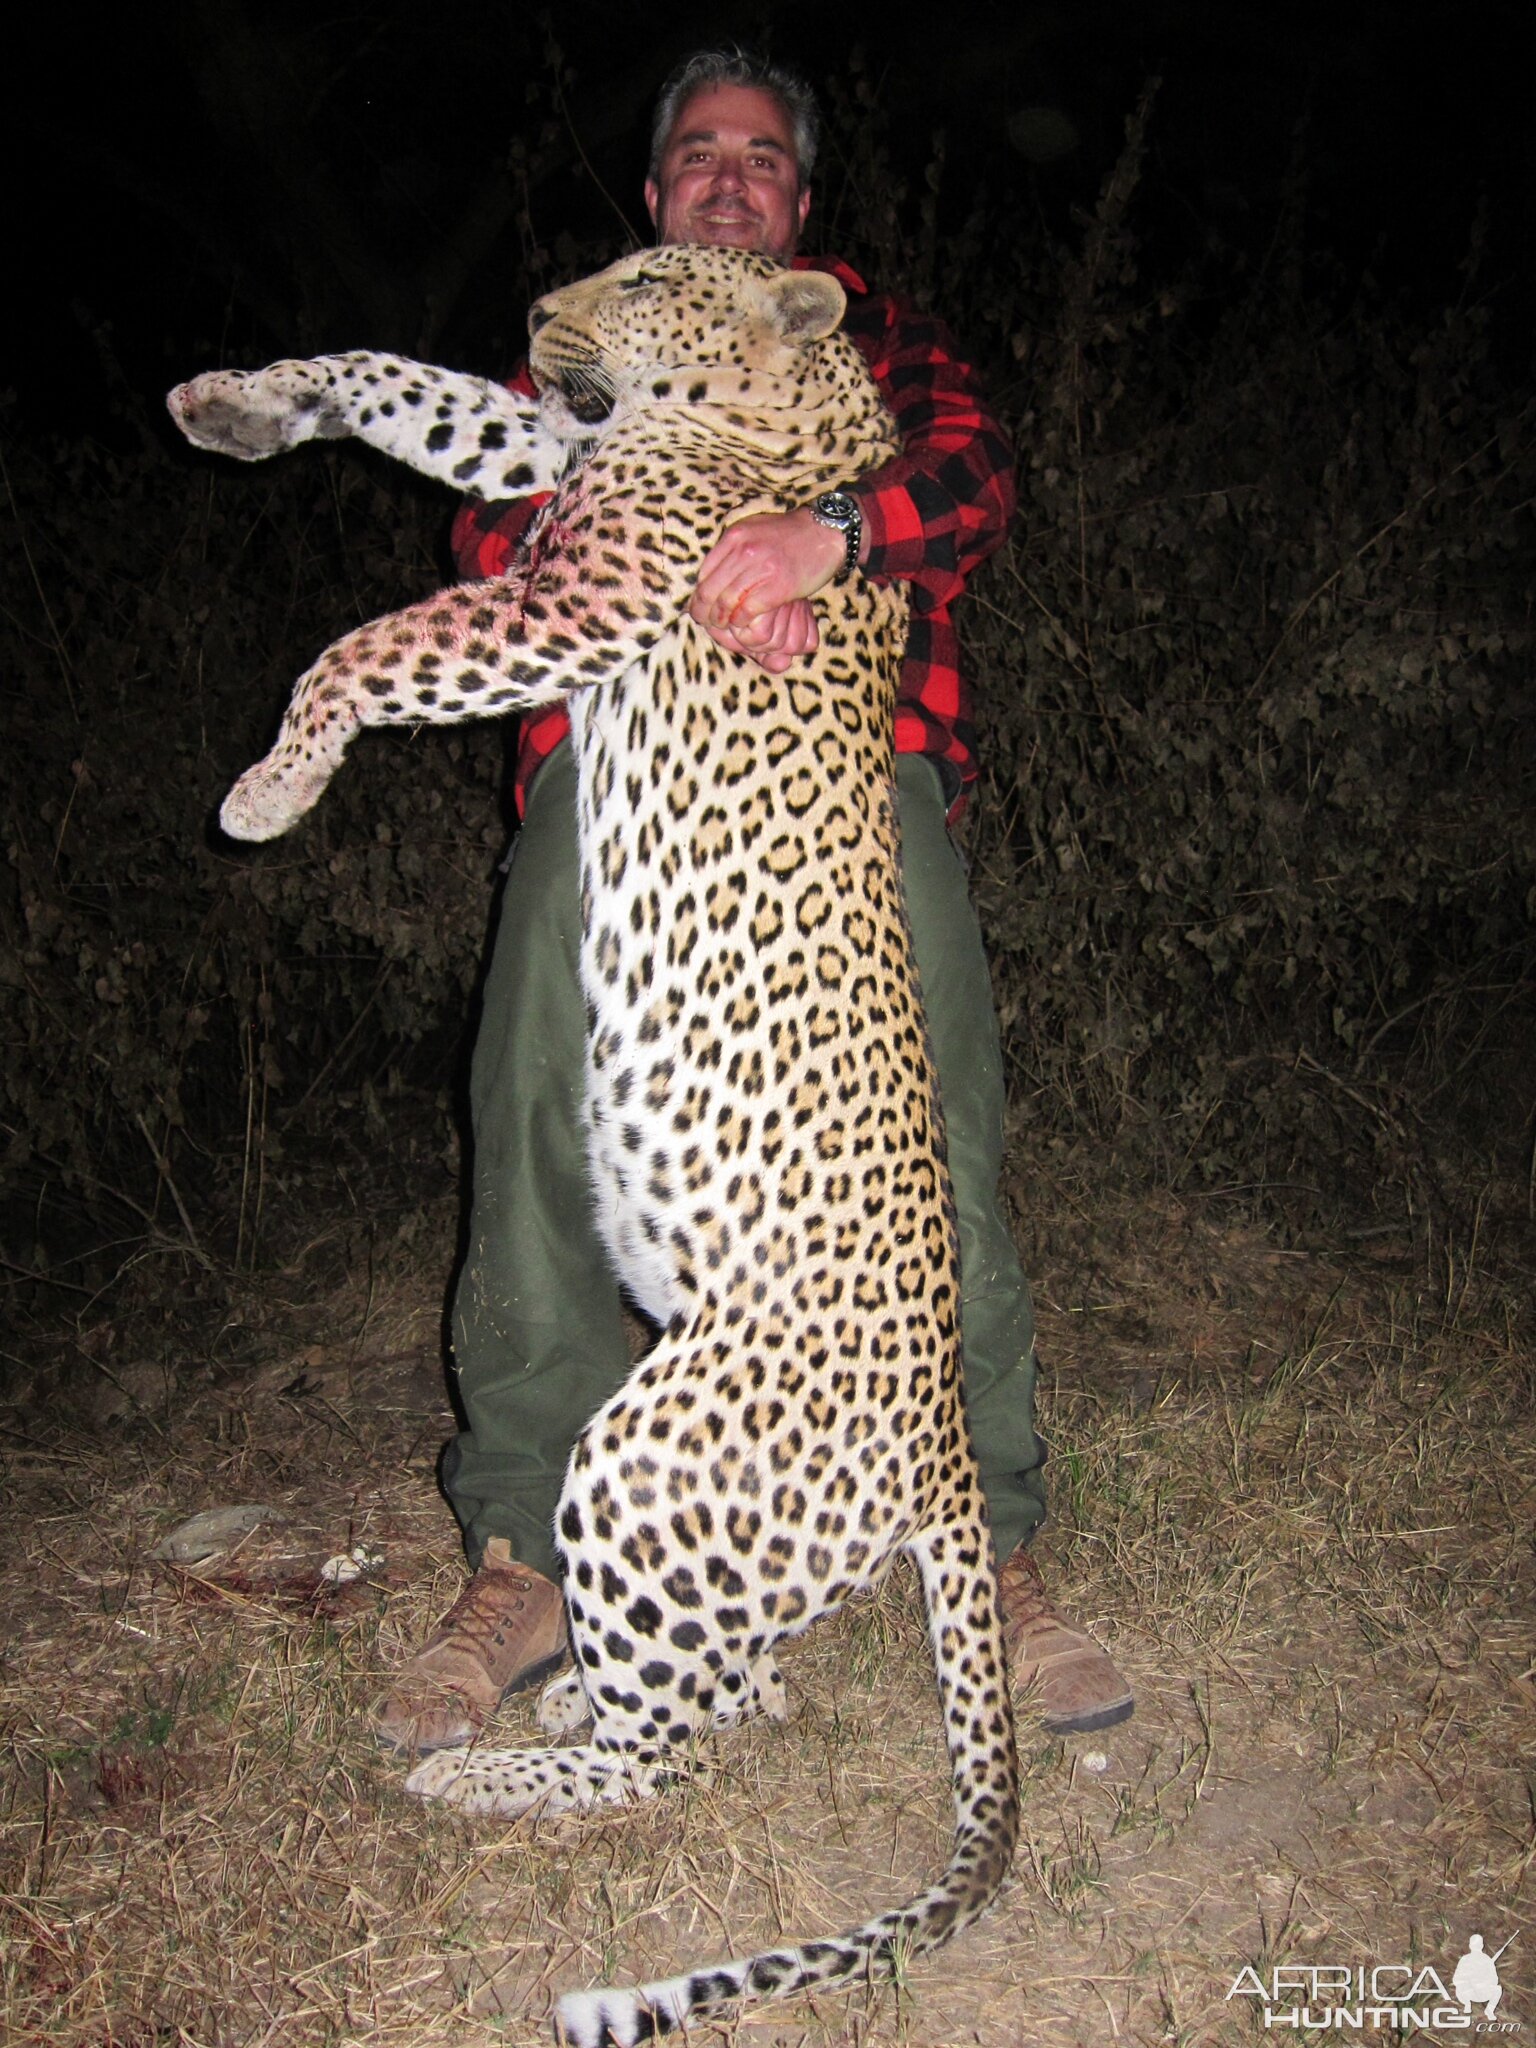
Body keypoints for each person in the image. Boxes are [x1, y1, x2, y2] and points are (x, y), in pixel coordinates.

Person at [377, 48, 1133, 1753]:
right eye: (699, 155)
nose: (729, 177)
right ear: (654, 195)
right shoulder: (592, 347)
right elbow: (495, 532)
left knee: (930, 1100)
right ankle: (528, 1539)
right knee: (531, 1086)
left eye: (764, 157)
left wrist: (824, 538)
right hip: (624, 764)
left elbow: (975, 478)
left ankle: (986, 1536)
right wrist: (671, 571)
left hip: (846, 766)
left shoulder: (874, 339)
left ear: (802, 200)